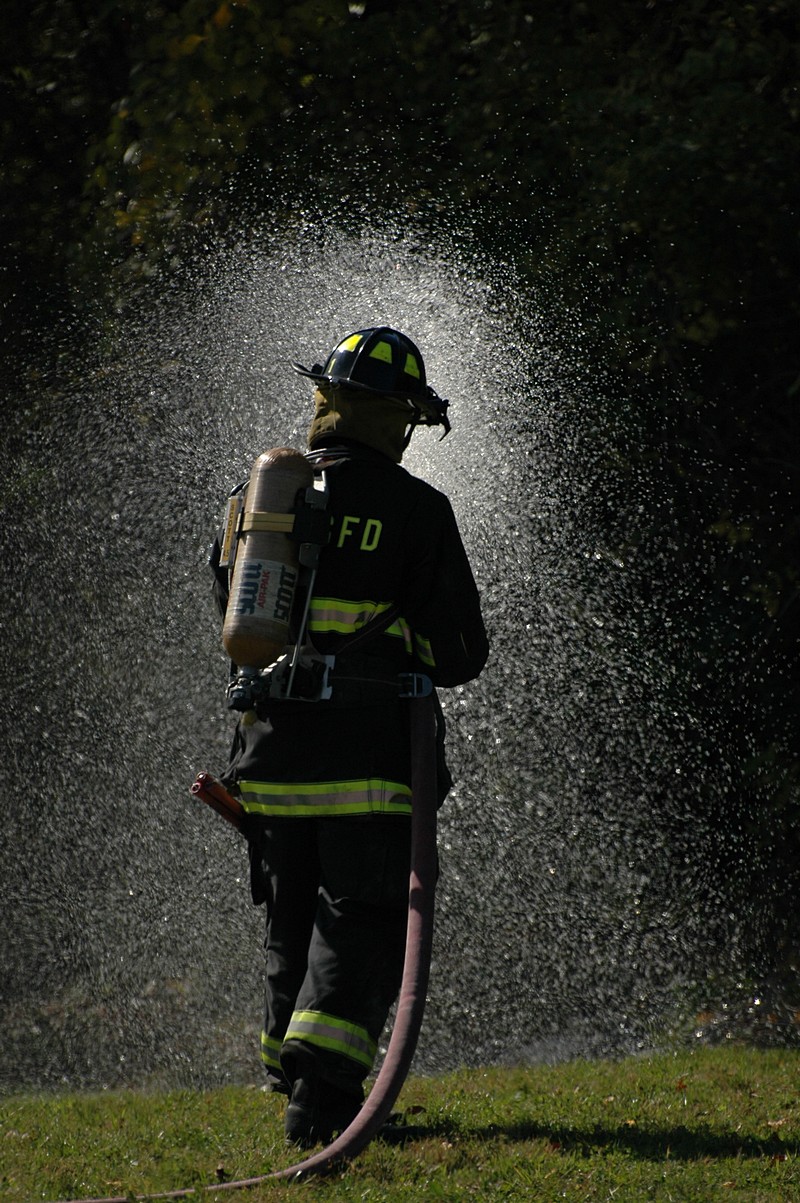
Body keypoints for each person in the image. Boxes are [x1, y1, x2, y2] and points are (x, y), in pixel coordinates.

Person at [209, 325, 488, 1147]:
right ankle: (326, 1100)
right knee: (360, 917)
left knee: (290, 917)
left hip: (268, 757)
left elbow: (238, 622)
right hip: (366, 763)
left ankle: (291, 1079)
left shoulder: (257, 502)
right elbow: (460, 653)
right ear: (392, 418)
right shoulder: (416, 509)